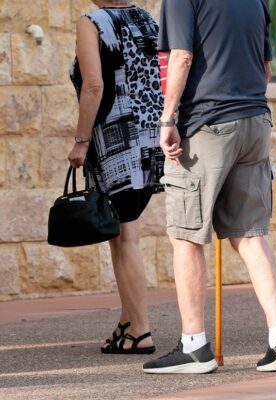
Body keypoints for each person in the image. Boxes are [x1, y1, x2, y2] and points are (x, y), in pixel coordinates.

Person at [142, 0, 276, 374]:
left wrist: (167, 118)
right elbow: (266, 70)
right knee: (250, 235)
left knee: (185, 236)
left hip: (207, 125)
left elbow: (180, 57)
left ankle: (194, 346)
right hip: (254, 121)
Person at [68, 0, 164, 355]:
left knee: (124, 238)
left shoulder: (92, 22)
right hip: (150, 138)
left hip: (116, 140)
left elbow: (93, 87)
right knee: (127, 231)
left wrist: (81, 141)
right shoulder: (146, 19)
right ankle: (127, 321)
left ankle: (140, 330)